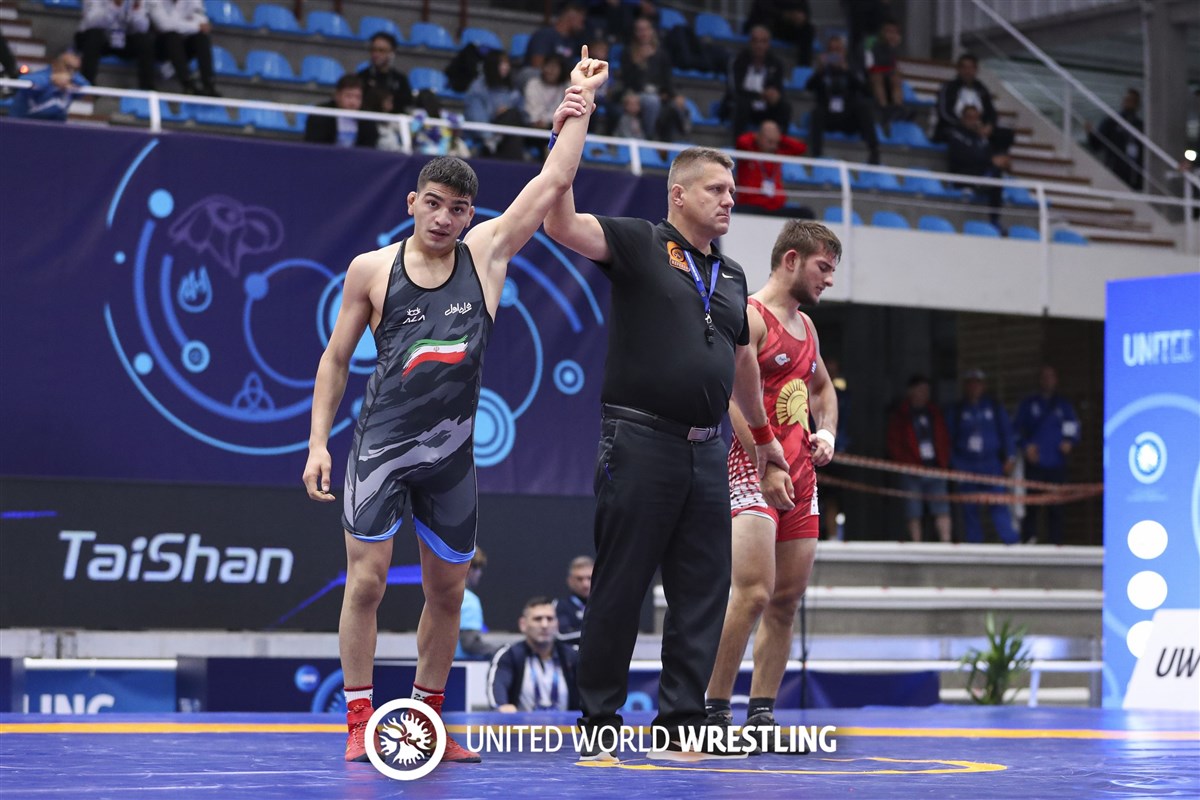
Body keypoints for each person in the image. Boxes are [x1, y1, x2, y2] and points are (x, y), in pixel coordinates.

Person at [302, 48, 607, 764]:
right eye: (433, 203)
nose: (444, 218)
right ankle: (358, 721)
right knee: (367, 585)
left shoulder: (486, 255)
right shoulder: (371, 269)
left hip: (450, 460)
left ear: (473, 213)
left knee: (447, 595)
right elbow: (336, 358)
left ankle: (427, 724)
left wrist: (579, 104)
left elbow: (553, 180)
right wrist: (318, 442)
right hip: (379, 450)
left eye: (458, 208)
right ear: (412, 203)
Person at [543, 147, 787, 761]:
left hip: (708, 450)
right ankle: (599, 725)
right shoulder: (640, 242)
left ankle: (681, 726)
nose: (730, 198)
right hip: (639, 440)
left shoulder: (731, 274)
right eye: (716, 189)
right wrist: (565, 138)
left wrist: (762, 439)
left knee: (702, 593)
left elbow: (742, 364)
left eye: (732, 190)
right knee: (620, 587)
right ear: (678, 194)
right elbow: (560, 223)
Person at [704, 220, 841, 746]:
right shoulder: (750, 317)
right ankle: (715, 709)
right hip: (753, 469)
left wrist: (826, 433)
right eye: (822, 267)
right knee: (753, 593)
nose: (829, 279)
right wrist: (766, 460)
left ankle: (761, 713)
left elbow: (823, 389)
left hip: (802, 476)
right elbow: (731, 395)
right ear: (791, 260)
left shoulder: (807, 328)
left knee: (786, 600)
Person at [948, 368, 1018, 545]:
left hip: (991, 464)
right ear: (966, 386)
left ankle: (1011, 544)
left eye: (977, 383)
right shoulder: (958, 410)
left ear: (983, 386)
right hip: (966, 465)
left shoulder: (993, 407)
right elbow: (948, 440)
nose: (974, 387)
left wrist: (1010, 457)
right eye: (971, 383)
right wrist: (955, 465)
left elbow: (1007, 433)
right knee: (970, 509)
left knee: (998, 504)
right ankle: (975, 547)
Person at [1014, 366, 1080, 545]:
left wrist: (1069, 441)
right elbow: (1016, 431)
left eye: (1051, 377)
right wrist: (1026, 447)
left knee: (1056, 507)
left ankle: (1056, 543)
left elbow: (1073, 428)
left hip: (1057, 464)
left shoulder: (1063, 405)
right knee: (1032, 506)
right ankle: (1029, 541)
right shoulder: (1029, 404)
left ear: (1056, 380)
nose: (1047, 380)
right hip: (1035, 464)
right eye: (1044, 377)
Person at [886, 375, 953, 543]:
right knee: (913, 511)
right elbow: (894, 443)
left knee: (942, 509)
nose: (924, 394)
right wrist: (905, 464)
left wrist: (943, 462)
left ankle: (946, 543)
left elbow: (944, 439)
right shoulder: (901, 415)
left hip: (935, 468)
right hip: (912, 470)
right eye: (920, 390)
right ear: (911, 391)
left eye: (926, 390)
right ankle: (917, 544)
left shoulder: (934, 413)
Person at [487, 597, 581, 711]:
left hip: (568, 722)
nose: (544, 625)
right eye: (538, 619)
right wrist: (502, 707)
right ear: (523, 624)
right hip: (521, 722)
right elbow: (497, 694)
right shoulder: (509, 655)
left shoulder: (574, 655)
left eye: (550, 619)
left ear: (557, 624)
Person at [805, 35, 880, 164]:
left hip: (847, 118)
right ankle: (816, 156)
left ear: (844, 52)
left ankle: (874, 152)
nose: (835, 54)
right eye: (832, 50)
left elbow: (867, 91)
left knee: (864, 107)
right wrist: (820, 70)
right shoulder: (822, 72)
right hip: (828, 116)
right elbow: (808, 87)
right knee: (817, 113)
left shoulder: (851, 69)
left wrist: (848, 71)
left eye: (838, 50)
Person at [934, 53, 1014, 154]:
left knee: (1005, 134)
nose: (968, 71)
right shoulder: (948, 88)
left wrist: (988, 126)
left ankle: (995, 160)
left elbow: (991, 112)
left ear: (976, 70)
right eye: (964, 68)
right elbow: (944, 113)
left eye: (971, 68)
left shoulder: (981, 88)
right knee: (958, 136)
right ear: (958, 69)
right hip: (954, 126)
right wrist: (964, 124)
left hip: (978, 126)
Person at [946, 105, 1010, 229]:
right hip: (962, 174)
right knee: (993, 174)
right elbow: (963, 158)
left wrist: (1000, 161)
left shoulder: (981, 139)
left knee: (997, 174)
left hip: (979, 173)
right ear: (963, 119)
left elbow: (988, 156)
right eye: (969, 117)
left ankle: (994, 219)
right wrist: (990, 160)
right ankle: (978, 187)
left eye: (976, 117)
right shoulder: (956, 135)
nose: (973, 121)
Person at [725, 25, 791, 142]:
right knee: (741, 105)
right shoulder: (739, 60)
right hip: (744, 101)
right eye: (756, 41)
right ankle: (738, 144)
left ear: (768, 44)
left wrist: (775, 96)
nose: (759, 45)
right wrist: (760, 94)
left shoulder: (776, 64)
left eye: (763, 41)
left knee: (784, 107)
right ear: (750, 43)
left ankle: (779, 144)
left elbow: (778, 88)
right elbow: (735, 89)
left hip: (765, 105)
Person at [76, 0, 156, 91]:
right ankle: (86, 86)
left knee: (145, 40)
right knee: (94, 36)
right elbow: (91, 22)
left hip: (123, 40)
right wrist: (115, 6)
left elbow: (142, 28)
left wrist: (136, 10)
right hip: (99, 40)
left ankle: (147, 90)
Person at [464, 50, 527, 160]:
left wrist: (506, 112)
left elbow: (523, 114)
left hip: (506, 135)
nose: (506, 67)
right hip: (484, 136)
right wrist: (496, 116)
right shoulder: (478, 88)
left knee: (512, 116)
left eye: (507, 63)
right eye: (502, 63)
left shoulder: (512, 89)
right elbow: (477, 118)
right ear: (492, 65)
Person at [734, 120, 808, 213]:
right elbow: (741, 141)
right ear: (759, 137)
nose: (773, 146)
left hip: (775, 207)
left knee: (806, 213)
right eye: (769, 141)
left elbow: (801, 148)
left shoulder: (778, 152)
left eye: (775, 142)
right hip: (751, 205)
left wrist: (779, 137)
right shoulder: (748, 150)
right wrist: (756, 136)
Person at [147, 0, 218, 95]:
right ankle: (187, 84)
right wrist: (196, 27)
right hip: (159, 47)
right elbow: (165, 26)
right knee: (172, 37)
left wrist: (189, 26)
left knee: (201, 37)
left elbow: (203, 21)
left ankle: (208, 84)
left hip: (182, 45)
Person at [1086, 88, 1144, 190]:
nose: (1129, 103)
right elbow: (1096, 144)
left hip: (1135, 175)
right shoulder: (1112, 122)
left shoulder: (1141, 126)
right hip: (1115, 171)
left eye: (1133, 101)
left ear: (1137, 105)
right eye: (1127, 100)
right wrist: (1090, 133)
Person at [303, 75, 378, 149]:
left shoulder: (367, 118)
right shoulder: (321, 114)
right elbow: (314, 145)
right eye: (349, 96)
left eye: (358, 97)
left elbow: (369, 147)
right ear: (337, 96)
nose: (353, 102)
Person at [9, 53, 89, 121]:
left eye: (75, 69)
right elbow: (22, 80)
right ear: (56, 64)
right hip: (24, 123)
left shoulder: (73, 80)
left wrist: (70, 78)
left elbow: (85, 85)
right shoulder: (40, 76)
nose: (70, 72)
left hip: (54, 127)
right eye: (68, 67)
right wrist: (51, 80)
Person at [455, 548, 499, 660]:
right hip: (460, 666)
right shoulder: (469, 600)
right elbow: (469, 644)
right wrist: (501, 652)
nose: (480, 574)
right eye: (478, 568)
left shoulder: (439, 597)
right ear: (469, 569)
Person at [744, 0, 814, 67]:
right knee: (761, 31)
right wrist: (785, 15)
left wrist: (800, 18)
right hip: (767, 21)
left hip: (786, 27)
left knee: (807, 30)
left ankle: (803, 69)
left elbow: (805, 12)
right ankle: (753, 67)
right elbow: (763, 8)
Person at [863, 19, 904, 132]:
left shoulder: (892, 47)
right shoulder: (870, 43)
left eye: (894, 32)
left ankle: (898, 108)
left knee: (896, 76)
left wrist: (892, 48)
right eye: (888, 31)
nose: (891, 35)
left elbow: (893, 66)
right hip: (870, 80)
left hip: (888, 79)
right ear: (882, 32)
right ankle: (884, 109)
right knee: (877, 75)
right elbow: (869, 66)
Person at [358, 32, 413, 115]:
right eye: (373, 50)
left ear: (392, 53)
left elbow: (407, 106)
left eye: (381, 50)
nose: (376, 54)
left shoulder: (400, 80)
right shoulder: (362, 77)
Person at [554, 555, 593, 645]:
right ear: (570, 581)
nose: (585, 584)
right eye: (579, 579)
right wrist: (598, 631)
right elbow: (562, 635)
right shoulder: (561, 605)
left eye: (589, 578)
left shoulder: (605, 605)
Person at [524, 54, 568, 130]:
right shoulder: (533, 84)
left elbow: (564, 111)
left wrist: (548, 122)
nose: (551, 70)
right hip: (532, 125)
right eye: (548, 66)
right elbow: (531, 108)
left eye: (555, 67)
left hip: (557, 126)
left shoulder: (566, 88)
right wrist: (539, 121)